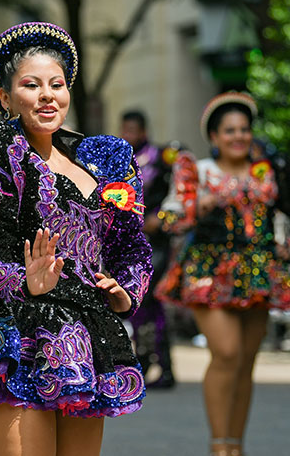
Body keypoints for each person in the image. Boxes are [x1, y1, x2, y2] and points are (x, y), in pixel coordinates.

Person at [0, 22, 153, 456]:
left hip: (84, 336)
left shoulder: (104, 161)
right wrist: (25, 280)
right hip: (12, 329)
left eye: (57, 84)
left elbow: (130, 246)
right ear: (6, 98)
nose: (47, 95)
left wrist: (124, 289)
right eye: (31, 85)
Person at [156, 92, 290, 456]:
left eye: (244, 130)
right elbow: (170, 217)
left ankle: (235, 445)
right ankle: (217, 445)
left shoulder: (270, 172)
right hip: (209, 271)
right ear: (214, 137)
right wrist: (195, 207)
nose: (238, 137)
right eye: (229, 131)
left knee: (245, 363)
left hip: (258, 273)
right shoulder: (199, 172)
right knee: (226, 353)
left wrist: (289, 249)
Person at [120, 109, 177, 388]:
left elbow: (177, 192)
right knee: (137, 304)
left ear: (142, 131)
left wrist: (161, 218)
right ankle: (142, 364)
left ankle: (164, 367)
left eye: (132, 130)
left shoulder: (161, 157)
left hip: (156, 244)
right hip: (129, 244)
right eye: (124, 129)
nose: (127, 135)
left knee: (152, 302)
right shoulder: (119, 160)